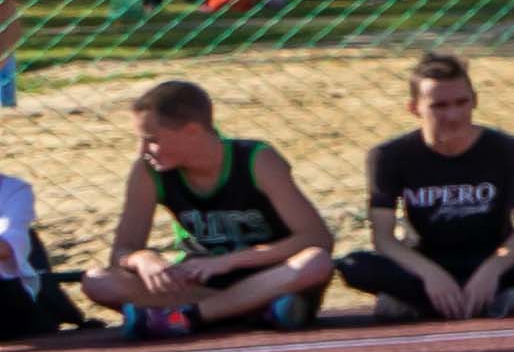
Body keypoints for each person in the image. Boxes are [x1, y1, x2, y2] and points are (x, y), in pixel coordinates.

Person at [350, 50, 514, 321]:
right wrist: (431, 275)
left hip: (495, 259)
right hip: (427, 262)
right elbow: (383, 238)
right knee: (354, 266)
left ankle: (422, 305)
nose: (453, 115)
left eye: (461, 103)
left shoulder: (509, 149)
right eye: (439, 106)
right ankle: (501, 301)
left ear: (475, 101)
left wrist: (490, 272)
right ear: (414, 108)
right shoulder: (388, 156)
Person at [88, 78, 333, 335]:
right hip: (203, 283)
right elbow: (122, 250)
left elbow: (317, 238)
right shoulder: (148, 172)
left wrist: (229, 262)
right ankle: (254, 310)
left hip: (270, 275)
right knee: (100, 282)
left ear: (192, 131)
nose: (143, 150)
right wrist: (144, 259)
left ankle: (191, 316)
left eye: (152, 140)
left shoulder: (256, 159)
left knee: (315, 262)